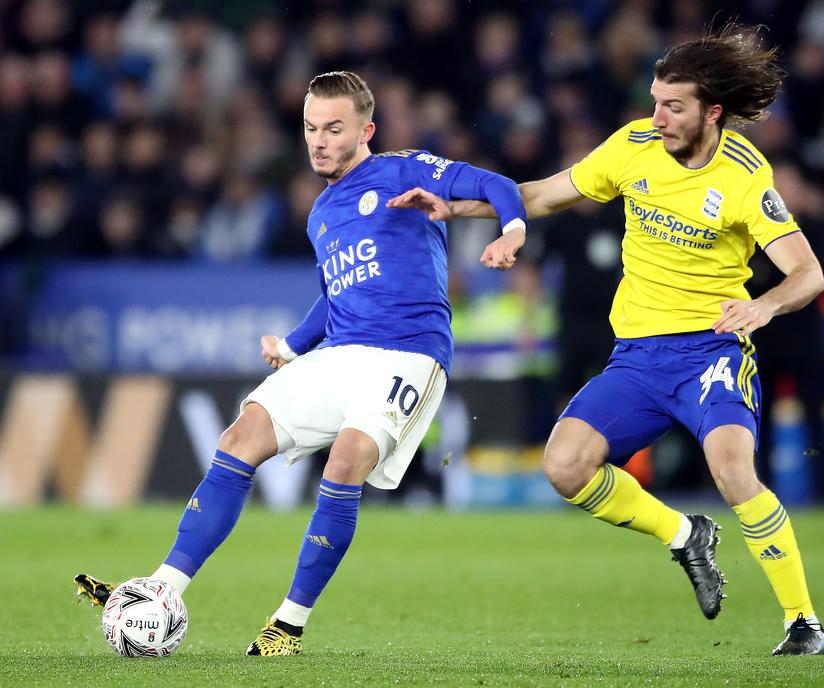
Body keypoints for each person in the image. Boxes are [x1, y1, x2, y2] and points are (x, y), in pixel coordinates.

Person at [389, 25, 824, 656]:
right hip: (637, 360)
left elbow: (807, 273)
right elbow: (543, 195)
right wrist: (458, 208)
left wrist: (763, 307)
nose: (657, 117)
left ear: (712, 112)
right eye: (654, 101)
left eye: (673, 106)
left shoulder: (744, 175)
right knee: (563, 467)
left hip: (710, 353)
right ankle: (685, 536)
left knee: (734, 472)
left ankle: (803, 622)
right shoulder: (634, 146)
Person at [75, 70, 528, 656]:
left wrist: (512, 231)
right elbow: (334, 295)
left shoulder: (403, 168)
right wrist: (292, 347)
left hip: (409, 352)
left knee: (345, 460)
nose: (319, 140)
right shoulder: (320, 212)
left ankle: (287, 624)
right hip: (340, 352)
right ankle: (162, 590)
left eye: (334, 129)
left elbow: (495, 183)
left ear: (367, 129)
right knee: (241, 435)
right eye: (311, 128)